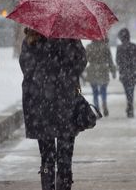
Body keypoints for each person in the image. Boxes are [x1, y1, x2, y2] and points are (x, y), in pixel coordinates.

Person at [19, 27, 87, 190]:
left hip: (40, 105)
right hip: (66, 104)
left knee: (47, 157)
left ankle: (47, 186)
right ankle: (64, 186)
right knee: (65, 157)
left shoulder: (31, 39)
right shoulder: (70, 37)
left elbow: (26, 69)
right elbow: (81, 63)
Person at [85, 38, 116, 116]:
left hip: (92, 70)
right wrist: (113, 71)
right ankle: (104, 102)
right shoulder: (105, 46)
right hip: (103, 69)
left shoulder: (89, 47)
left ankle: (97, 108)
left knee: (95, 92)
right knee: (103, 89)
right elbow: (110, 60)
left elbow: (85, 59)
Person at [116, 28, 136, 118]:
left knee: (127, 90)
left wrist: (123, 63)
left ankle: (129, 105)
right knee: (131, 90)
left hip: (124, 72)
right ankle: (130, 105)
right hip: (133, 71)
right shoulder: (134, 46)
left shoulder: (119, 48)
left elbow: (117, 61)